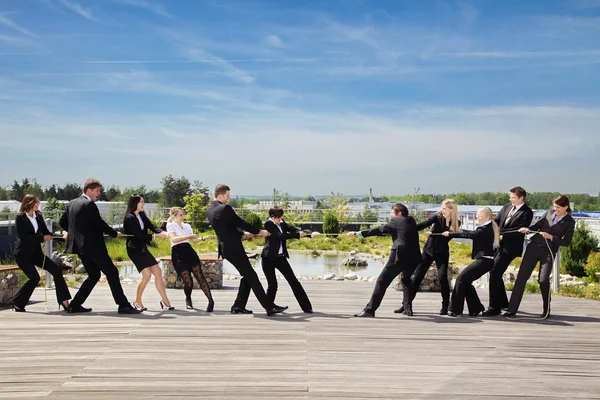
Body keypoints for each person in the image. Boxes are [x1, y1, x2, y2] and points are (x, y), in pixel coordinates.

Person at [59, 178, 140, 314]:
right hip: (93, 247)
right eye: (97, 191)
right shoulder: (89, 204)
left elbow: (62, 222)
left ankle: (74, 305)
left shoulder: (72, 203)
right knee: (112, 272)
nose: (98, 194)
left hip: (80, 248)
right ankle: (123, 305)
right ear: (89, 190)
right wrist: (114, 233)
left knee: (94, 275)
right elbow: (99, 223)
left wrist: (76, 234)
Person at [206, 184, 285, 316]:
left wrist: (242, 234)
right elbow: (240, 222)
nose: (228, 199)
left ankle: (238, 306)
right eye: (227, 196)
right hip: (234, 249)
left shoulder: (210, 209)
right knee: (252, 276)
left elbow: (227, 227)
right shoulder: (225, 208)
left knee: (247, 276)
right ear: (220, 195)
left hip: (225, 248)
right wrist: (260, 231)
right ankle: (269, 307)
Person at [505, 195, 576, 318]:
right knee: (521, 278)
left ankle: (546, 309)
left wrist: (551, 237)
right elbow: (536, 226)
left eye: (558, 208)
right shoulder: (549, 213)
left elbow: (567, 242)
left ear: (566, 207)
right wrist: (527, 229)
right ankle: (511, 309)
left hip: (548, 252)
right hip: (533, 247)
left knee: (543, 280)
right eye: (554, 207)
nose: (555, 210)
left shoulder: (570, 222)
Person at [348, 203, 421, 317]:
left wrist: (360, 233)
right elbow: (391, 231)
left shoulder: (395, 221)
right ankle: (408, 309)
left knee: (382, 281)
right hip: (414, 258)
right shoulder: (411, 220)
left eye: (392, 213)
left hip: (400, 256)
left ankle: (369, 310)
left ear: (399, 213)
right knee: (406, 279)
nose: (391, 216)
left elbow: (380, 229)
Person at [397, 199, 460, 316]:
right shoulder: (437, 217)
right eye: (442, 208)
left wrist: (435, 234)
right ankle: (406, 305)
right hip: (428, 251)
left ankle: (445, 306)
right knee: (417, 277)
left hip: (442, 253)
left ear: (451, 210)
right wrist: (409, 229)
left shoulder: (456, 223)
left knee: (443, 278)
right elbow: (423, 225)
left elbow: (446, 239)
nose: (442, 210)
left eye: (444, 208)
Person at [11, 195, 71, 312]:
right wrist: (42, 238)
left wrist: (60, 237)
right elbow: (24, 238)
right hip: (22, 255)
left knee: (56, 270)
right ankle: (17, 303)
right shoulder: (20, 218)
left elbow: (47, 233)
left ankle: (64, 301)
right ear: (28, 203)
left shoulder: (38, 216)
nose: (38, 204)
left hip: (36, 254)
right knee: (34, 278)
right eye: (36, 202)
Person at [483, 186, 533, 316]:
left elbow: (518, 229)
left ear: (521, 198)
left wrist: (501, 232)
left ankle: (494, 307)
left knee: (495, 272)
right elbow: (497, 221)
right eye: (510, 197)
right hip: (499, 245)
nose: (511, 200)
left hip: (511, 248)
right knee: (496, 272)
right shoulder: (506, 207)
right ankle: (504, 303)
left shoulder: (527, 212)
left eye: (513, 198)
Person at [442, 207, 499, 317]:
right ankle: (476, 308)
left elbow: (470, 235)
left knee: (460, 279)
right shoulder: (486, 227)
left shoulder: (484, 229)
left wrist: (450, 234)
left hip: (485, 261)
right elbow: (471, 233)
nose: (477, 217)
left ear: (487, 217)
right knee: (466, 281)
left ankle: (455, 310)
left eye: (479, 215)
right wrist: (455, 232)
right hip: (485, 260)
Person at [123, 194, 173, 311]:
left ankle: (165, 301)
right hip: (134, 250)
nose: (143, 204)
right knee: (147, 275)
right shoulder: (129, 218)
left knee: (157, 271)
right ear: (135, 203)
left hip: (143, 249)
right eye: (141, 202)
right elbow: (139, 236)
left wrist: (164, 232)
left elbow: (152, 226)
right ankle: (137, 301)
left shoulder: (141, 215)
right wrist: (155, 235)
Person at [261, 206, 313, 313]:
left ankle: (307, 307)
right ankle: (269, 308)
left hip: (281, 257)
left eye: (281, 218)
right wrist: (297, 235)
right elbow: (280, 236)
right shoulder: (268, 224)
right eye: (279, 218)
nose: (280, 220)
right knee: (273, 285)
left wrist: (305, 234)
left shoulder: (282, 222)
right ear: (273, 216)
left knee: (293, 281)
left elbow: (291, 229)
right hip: (268, 258)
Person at [165, 207, 215, 311]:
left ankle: (211, 301)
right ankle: (188, 299)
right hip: (178, 254)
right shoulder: (170, 225)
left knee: (200, 276)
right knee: (188, 282)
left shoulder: (187, 226)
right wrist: (189, 236)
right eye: (180, 215)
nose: (183, 217)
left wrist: (203, 238)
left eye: (183, 214)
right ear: (174, 216)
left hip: (189, 252)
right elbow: (174, 239)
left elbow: (195, 240)